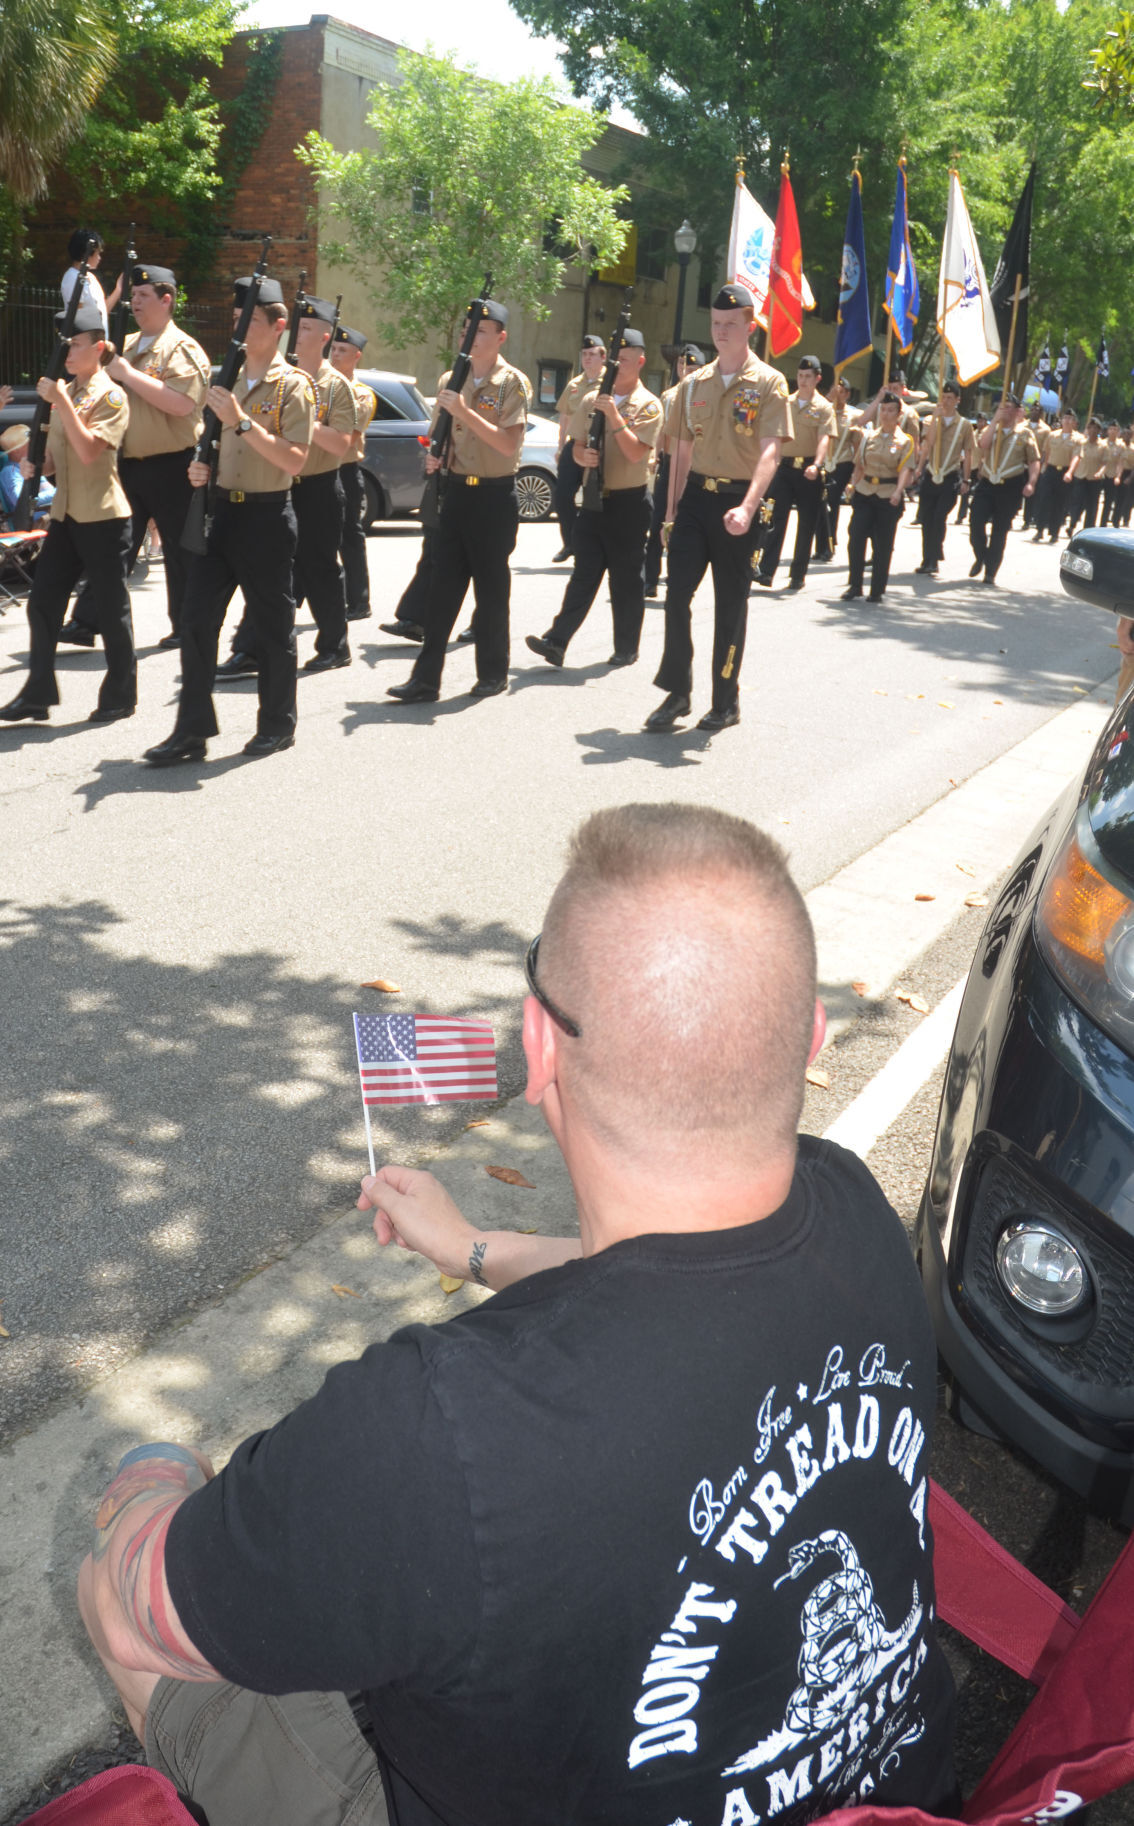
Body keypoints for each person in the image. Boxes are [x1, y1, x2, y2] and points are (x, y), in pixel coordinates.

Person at [77, 800, 958, 1826]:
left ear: (538, 1046)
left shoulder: (437, 1428)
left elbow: (151, 1604)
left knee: (118, 1571)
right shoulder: (850, 1200)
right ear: (809, 1037)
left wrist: (157, 1481)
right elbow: (663, 1272)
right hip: (890, 1787)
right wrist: (472, 1249)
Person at [142, 275, 314, 766]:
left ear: (279, 325)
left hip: (265, 517)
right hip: (221, 514)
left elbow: (296, 459)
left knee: (271, 627)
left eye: (251, 320)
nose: (240, 327)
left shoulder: (293, 386)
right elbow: (212, 442)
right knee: (196, 622)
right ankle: (191, 731)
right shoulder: (227, 378)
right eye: (237, 318)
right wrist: (202, 468)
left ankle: (278, 724)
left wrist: (242, 421)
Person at [646, 284, 791, 733]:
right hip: (695, 501)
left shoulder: (768, 383)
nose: (721, 331)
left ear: (750, 326)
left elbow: (771, 453)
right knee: (675, 596)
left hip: (737, 502)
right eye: (715, 323)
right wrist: (670, 514)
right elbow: (680, 455)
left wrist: (749, 507)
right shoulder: (692, 385)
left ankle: (725, 701)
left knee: (730, 604)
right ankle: (678, 692)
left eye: (730, 324)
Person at [386, 300, 529, 705]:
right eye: (468, 328)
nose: (471, 336)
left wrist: (464, 409)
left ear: (500, 337)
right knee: (443, 589)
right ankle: (425, 679)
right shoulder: (453, 377)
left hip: (493, 495)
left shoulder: (511, 383)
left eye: (481, 330)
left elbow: (506, 445)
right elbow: (440, 436)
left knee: (490, 589)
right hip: (455, 493)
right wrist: (436, 454)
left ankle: (493, 673)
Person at [0, 307, 135, 725]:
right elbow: (60, 460)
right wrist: (37, 467)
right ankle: (38, 693)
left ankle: (120, 693)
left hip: (104, 517)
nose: (67, 352)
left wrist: (60, 402)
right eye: (64, 345)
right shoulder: (68, 395)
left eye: (74, 345)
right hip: (66, 515)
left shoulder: (110, 395)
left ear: (97, 348)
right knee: (42, 605)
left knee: (111, 611)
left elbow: (91, 449)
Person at [65, 262, 209, 650]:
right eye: (133, 295)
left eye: (143, 296)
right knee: (113, 545)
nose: (135, 302)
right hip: (127, 463)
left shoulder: (182, 348)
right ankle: (85, 621)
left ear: (167, 300)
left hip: (172, 464)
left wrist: (128, 375)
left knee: (181, 553)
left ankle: (187, 626)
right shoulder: (123, 345)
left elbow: (182, 405)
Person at [217, 296, 358, 678]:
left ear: (326, 336)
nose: (299, 334)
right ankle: (250, 647)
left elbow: (344, 445)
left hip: (318, 486)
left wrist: (301, 424)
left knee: (320, 568)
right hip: (281, 486)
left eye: (308, 328)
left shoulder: (334, 386)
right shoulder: (276, 377)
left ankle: (334, 644)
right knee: (273, 573)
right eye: (297, 326)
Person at [525, 329, 662, 670]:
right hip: (593, 501)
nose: (616, 368)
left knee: (625, 580)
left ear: (640, 362)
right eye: (613, 361)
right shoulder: (589, 399)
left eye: (625, 361)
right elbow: (575, 445)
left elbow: (634, 452)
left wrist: (614, 415)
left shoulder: (649, 404)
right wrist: (581, 456)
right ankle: (556, 641)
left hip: (628, 503)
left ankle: (626, 647)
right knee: (584, 574)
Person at [754, 354, 835, 591]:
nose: (803, 380)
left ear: (817, 378)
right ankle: (766, 571)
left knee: (806, 523)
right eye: (800, 376)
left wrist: (817, 464)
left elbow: (824, 439)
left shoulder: (823, 408)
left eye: (808, 376)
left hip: (808, 469)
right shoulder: (785, 403)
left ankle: (797, 574)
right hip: (785, 467)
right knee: (775, 520)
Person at [841, 391, 915, 603]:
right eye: (883, 409)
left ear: (899, 415)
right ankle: (855, 585)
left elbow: (905, 470)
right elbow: (859, 466)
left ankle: (876, 588)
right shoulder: (868, 437)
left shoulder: (905, 441)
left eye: (891, 410)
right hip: (865, 492)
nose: (885, 414)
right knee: (855, 537)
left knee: (882, 544)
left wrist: (898, 491)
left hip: (887, 495)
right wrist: (852, 484)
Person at [643, 343, 703, 597]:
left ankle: (678, 576)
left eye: (691, 367)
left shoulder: (703, 397)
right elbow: (662, 430)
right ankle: (650, 579)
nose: (685, 371)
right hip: (669, 463)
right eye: (682, 365)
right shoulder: (669, 396)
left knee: (687, 523)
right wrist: (655, 455)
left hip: (697, 466)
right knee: (658, 521)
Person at [329, 324, 377, 621]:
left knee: (349, 537)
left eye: (342, 351)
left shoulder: (361, 394)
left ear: (356, 356)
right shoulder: (320, 385)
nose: (335, 355)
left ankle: (359, 601)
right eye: (333, 349)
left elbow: (348, 429)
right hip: (318, 469)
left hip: (345, 470)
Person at [968, 396, 1039, 586]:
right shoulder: (993, 430)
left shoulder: (1025, 434)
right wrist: (994, 423)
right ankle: (981, 555)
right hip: (988, 483)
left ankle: (990, 571)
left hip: (1010, 485)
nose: (1005, 410)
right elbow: (982, 445)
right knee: (975, 521)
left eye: (1009, 407)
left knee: (1000, 530)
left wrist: (1031, 483)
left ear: (1017, 411)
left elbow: (1033, 461)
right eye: (1002, 407)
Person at [911, 380, 975, 575]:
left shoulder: (964, 425)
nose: (946, 401)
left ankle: (934, 557)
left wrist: (966, 480)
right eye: (943, 397)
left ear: (957, 400)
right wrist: (919, 468)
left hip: (950, 477)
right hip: (932, 474)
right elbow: (927, 445)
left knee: (939, 517)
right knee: (926, 518)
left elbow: (969, 453)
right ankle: (927, 558)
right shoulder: (933, 421)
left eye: (950, 398)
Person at [552, 334, 606, 561]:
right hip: (574, 444)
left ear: (603, 357)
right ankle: (570, 544)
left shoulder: (610, 383)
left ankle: (595, 546)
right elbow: (565, 416)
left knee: (597, 498)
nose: (587, 359)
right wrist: (560, 445)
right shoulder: (574, 384)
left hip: (600, 447)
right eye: (584, 355)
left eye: (592, 354)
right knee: (562, 496)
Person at [816, 375, 860, 558]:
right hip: (825, 462)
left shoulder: (853, 415)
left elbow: (858, 444)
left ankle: (829, 543)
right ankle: (820, 546)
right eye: (835, 391)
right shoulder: (824, 411)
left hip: (842, 463)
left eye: (841, 392)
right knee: (820, 504)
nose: (837, 395)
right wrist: (827, 398)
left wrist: (856, 473)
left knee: (831, 502)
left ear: (847, 394)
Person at [1032, 408, 1081, 544]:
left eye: (1070, 419)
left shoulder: (1078, 439)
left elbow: (1076, 457)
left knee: (1059, 504)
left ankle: (1054, 533)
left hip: (1064, 472)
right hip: (1051, 471)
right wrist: (1044, 469)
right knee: (1044, 500)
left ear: (1074, 422)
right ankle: (1040, 529)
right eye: (1065, 418)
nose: (1067, 421)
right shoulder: (1053, 435)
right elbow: (1046, 454)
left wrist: (1070, 472)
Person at [60, 228, 121, 334]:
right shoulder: (72, 278)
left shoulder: (92, 277)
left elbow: (103, 311)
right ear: (87, 253)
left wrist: (119, 289)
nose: (99, 258)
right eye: (97, 253)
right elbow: (78, 319)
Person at [0, 423, 54, 517]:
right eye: (29, 443)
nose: (35, 446)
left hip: (47, 513)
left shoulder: (31, 466)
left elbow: (49, 490)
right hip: (34, 522)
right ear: (16, 451)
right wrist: (59, 492)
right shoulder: (10, 471)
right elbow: (21, 500)